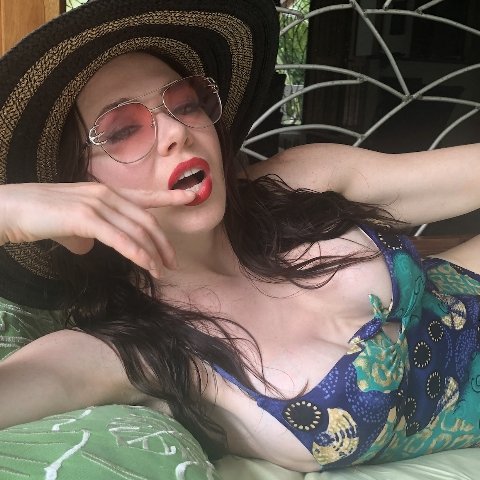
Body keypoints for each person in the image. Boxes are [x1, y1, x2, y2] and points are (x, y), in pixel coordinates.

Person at [0, 0, 479, 474]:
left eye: (186, 103)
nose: (176, 130)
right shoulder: (130, 349)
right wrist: (8, 213)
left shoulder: (297, 181)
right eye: (123, 129)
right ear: (70, 183)